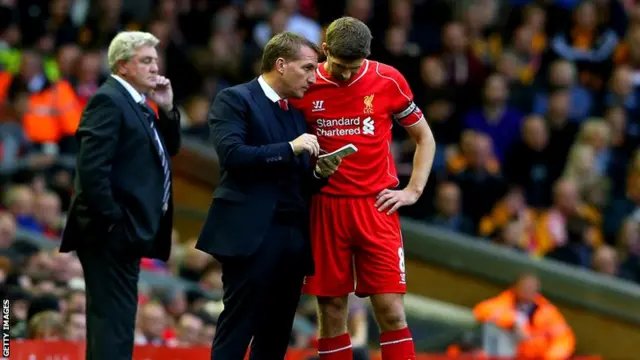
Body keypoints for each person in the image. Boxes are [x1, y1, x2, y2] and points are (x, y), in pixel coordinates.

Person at [289, 17, 437, 360]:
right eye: (339, 66)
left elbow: (425, 138)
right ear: (325, 50)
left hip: (376, 207)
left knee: (391, 312)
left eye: (353, 67)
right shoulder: (305, 83)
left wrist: (412, 191)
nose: (345, 74)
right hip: (325, 208)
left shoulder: (388, 79)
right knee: (332, 313)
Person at [195, 31, 341, 360]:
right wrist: (290, 148)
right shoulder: (235, 99)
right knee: (237, 329)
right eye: (307, 68)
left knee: (276, 335)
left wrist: (319, 173)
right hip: (251, 234)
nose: (313, 76)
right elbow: (232, 155)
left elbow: (296, 177)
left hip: (292, 237)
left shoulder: (295, 114)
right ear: (280, 64)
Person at [60, 31, 181, 360]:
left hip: (125, 234)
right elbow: (91, 171)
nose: (154, 67)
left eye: (155, 60)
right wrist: (115, 222)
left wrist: (167, 108)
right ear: (123, 65)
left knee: (119, 323)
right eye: (145, 61)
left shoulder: (138, 103)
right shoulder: (109, 100)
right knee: (111, 324)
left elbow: (170, 149)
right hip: (110, 234)